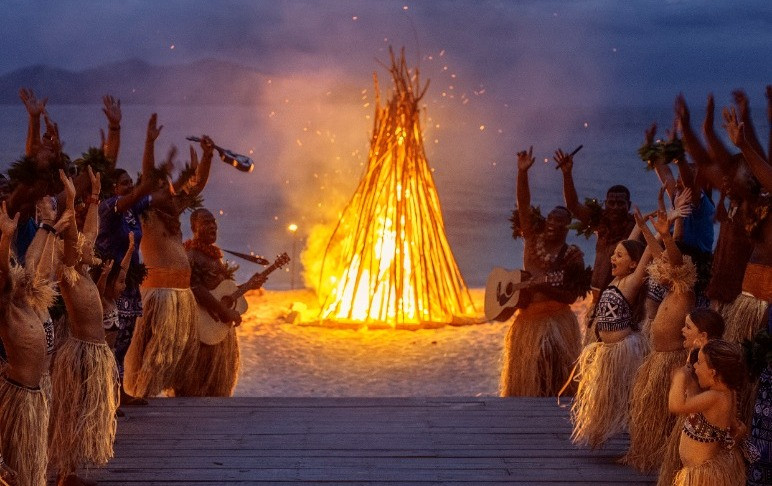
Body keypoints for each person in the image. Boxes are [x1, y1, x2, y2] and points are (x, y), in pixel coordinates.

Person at [123, 117, 215, 398]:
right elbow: (149, 178)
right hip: (158, 294)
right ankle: (144, 393)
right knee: (155, 352)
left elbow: (196, 186)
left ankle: (170, 394)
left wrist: (207, 156)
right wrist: (149, 142)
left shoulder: (173, 210)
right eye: (161, 188)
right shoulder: (146, 214)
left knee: (177, 353)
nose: (169, 192)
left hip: (180, 294)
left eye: (168, 188)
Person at [48, 169, 120, 486]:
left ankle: (71, 470)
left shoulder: (85, 272)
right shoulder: (68, 270)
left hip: (96, 351)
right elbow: (75, 240)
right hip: (80, 355)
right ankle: (67, 472)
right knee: (73, 410)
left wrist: (94, 197)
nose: (92, 247)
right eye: (85, 248)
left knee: (87, 410)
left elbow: (89, 233)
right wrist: (73, 202)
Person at [500, 147, 588, 397]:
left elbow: (571, 296)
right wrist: (522, 173)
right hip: (528, 321)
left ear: (567, 227)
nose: (553, 225)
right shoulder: (532, 239)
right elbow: (524, 204)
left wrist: (543, 286)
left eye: (559, 222)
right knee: (532, 378)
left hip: (558, 321)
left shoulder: (573, 255)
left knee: (556, 374)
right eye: (550, 220)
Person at [624, 200, 697, 472]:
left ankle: (665, 454)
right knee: (650, 410)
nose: (662, 266)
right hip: (658, 358)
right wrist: (644, 230)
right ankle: (651, 452)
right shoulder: (670, 289)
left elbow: (674, 261)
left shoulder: (683, 289)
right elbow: (661, 258)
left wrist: (666, 235)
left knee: (667, 414)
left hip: (672, 361)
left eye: (669, 264)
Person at [0, 199, 65, 486]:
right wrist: (5, 239)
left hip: (36, 392)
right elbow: (5, 277)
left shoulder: (26, 300)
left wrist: (48, 226)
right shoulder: (6, 304)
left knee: (31, 468)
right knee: (18, 469)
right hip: (20, 395)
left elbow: (33, 262)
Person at [570, 235, 651, 448]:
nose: (613, 258)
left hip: (625, 351)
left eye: (619, 255)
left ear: (634, 264)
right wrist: (637, 226)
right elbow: (630, 242)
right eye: (613, 254)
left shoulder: (632, 283)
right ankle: (599, 430)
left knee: (629, 397)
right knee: (604, 395)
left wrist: (654, 230)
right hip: (607, 351)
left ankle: (639, 441)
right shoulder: (615, 280)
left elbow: (646, 252)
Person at [556, 148, 636, 343]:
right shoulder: (600, 223)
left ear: (629, 205)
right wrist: (567, 173)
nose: (616, 207)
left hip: (621, 301)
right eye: (611, 203)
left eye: (621, 203)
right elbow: (573, 205)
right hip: (596, 301)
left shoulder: (634, 230)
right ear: (605, 204)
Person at [174, 208, 256, 396]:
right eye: (206, 222)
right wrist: (225, 311)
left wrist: (250, 285)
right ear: (194, 227)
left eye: (214, 222)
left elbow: (220, 290)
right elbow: (195, 288)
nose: (213, 226)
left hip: (217, 328)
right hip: (202, 330)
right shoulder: (192, 255)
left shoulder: (213, 256)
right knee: (196, 384)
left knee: (217, 385)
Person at [96, 166, 154, 406]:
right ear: (113, 188)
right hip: (110, 282)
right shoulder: (109, 207)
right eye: (124, 183)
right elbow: (136, 196)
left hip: (129, 282)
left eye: (131, 181)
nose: (129, 186)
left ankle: (119, 392)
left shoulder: (132, 209)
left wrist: (180, 182)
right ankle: (107, 396)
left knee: (125, 339)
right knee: (112, 338)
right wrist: (142, 188)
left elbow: (155, 197)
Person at [657, 308, 726, 486]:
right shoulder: (699, 355)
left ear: (702, 335)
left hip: (702, 461)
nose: (682, 330)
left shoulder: (708, 366)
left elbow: (681, 405)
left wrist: (680, 378)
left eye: (688, 327)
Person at [668, 339, 747, 485]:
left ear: (713, 372)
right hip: (697, 470)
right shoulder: (725, 392)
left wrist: (679, 377)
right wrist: (697, 350)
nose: (695, 367)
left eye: (698, 362)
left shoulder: (714, 397)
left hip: (703, 477)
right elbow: (693, 398)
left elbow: (676, 406)